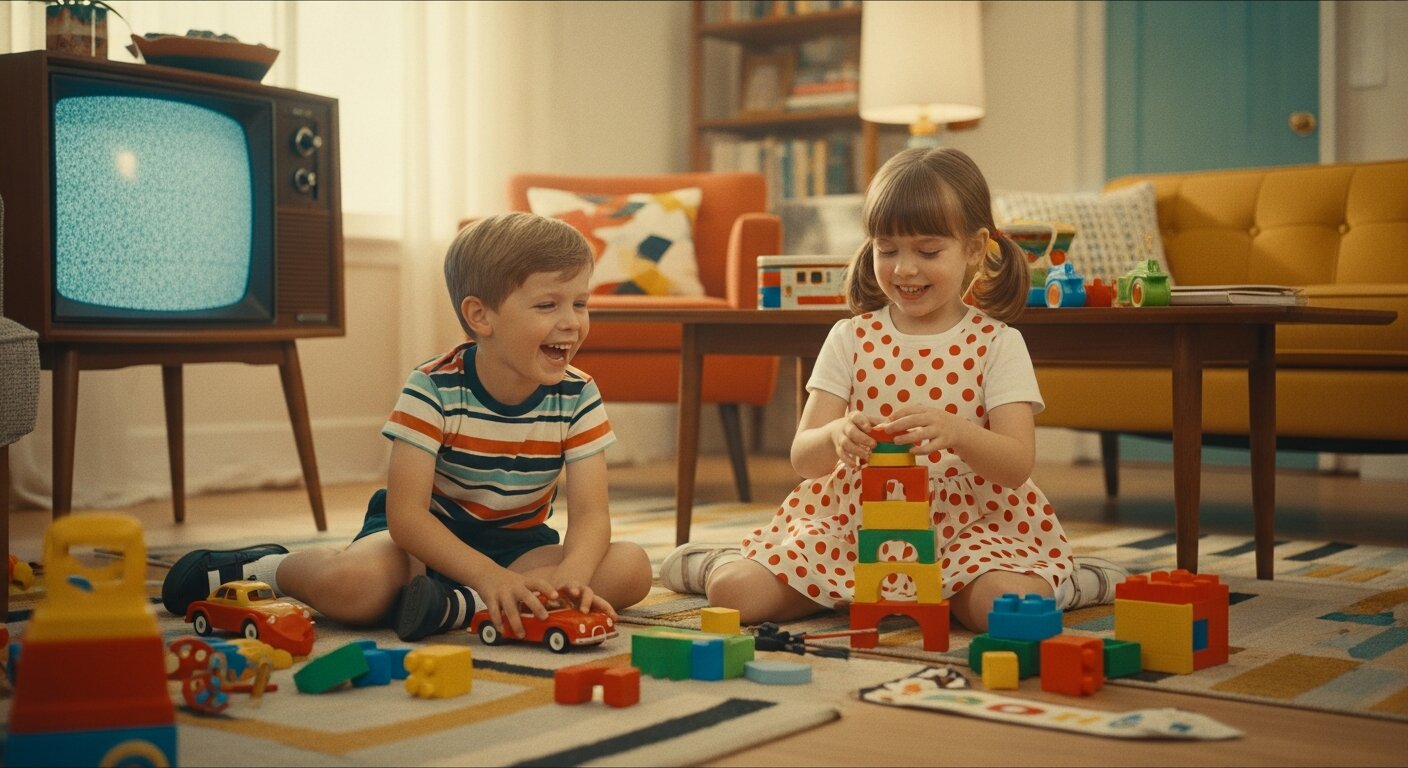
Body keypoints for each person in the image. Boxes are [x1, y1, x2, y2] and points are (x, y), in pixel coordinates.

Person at [661, 147, 1126, 632]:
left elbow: (1016, 464)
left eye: (927, 252)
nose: (904, 269)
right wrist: (836, 435)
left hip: (970, 530)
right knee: (734, 593)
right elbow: (804, 458)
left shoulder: (998, 343)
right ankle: (720, 562)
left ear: (974, 248)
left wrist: (958, 432)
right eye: (887, 250)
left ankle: (1071, 582)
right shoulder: (850, 337)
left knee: (1006, 606)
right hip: (854, 527)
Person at [161, 212, 653, 641]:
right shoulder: (433, 387)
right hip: (417, 544)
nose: (572, 322)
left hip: (517, 548)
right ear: (481, 316)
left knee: (631, 566)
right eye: (548, 305)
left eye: (580, 303)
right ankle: (266, 567)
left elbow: (591, 516)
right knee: (355, 589)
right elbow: (407, 517)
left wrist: (572, 576)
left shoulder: (578, 394)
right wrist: (486, 575)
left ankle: (454, 605)